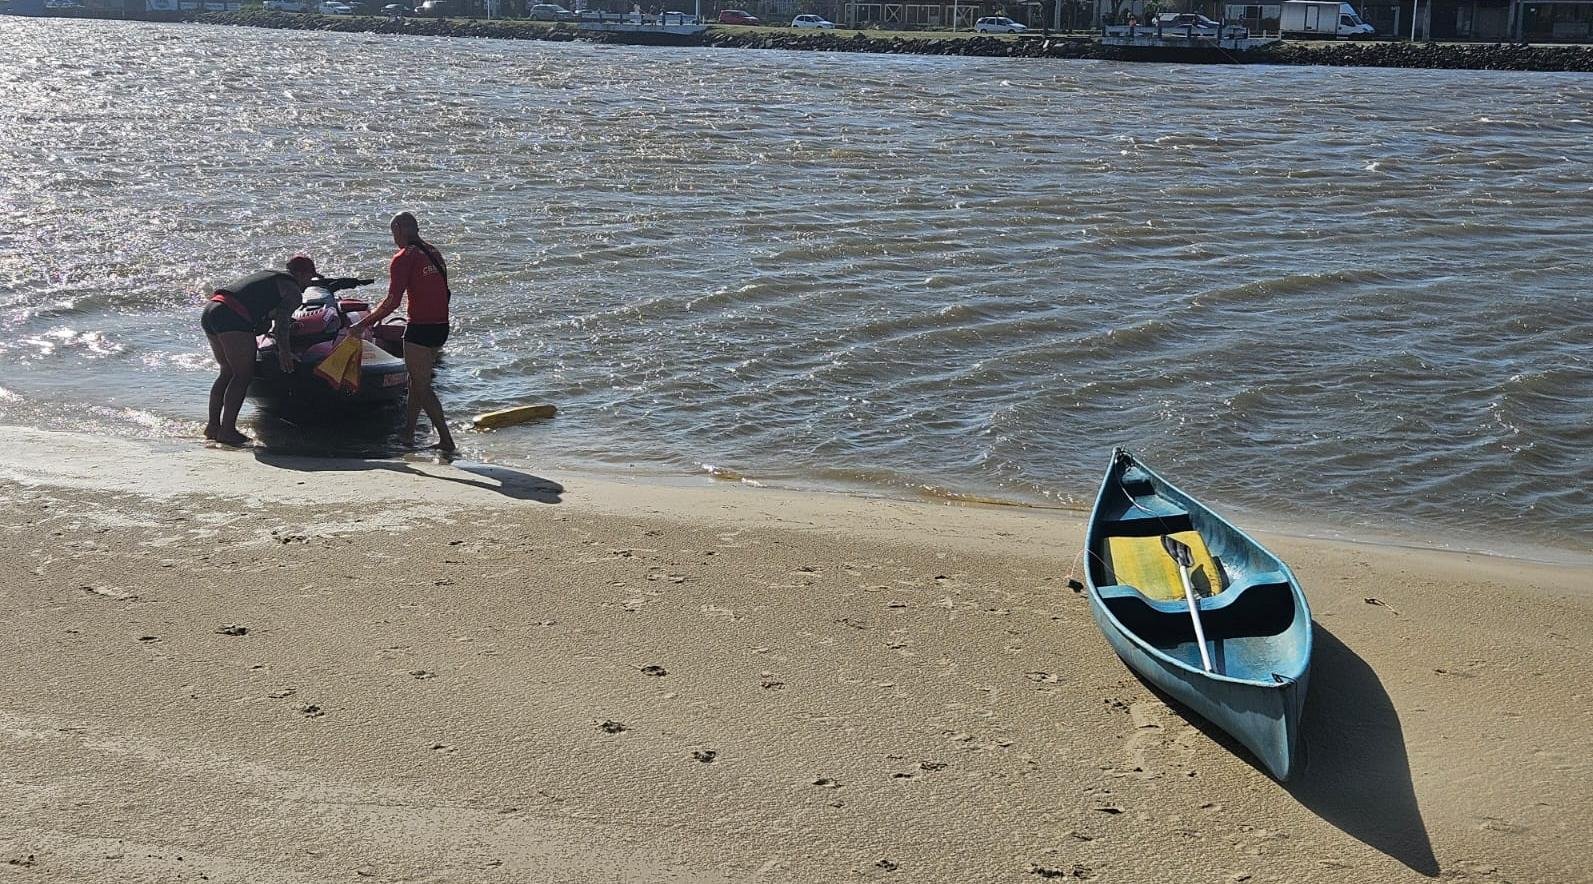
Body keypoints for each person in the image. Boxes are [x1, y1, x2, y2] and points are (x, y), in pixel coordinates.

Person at [348, 212, 455, 453]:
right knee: (416, 381)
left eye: (392, 232)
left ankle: (446, 440)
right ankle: (408, 433)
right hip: (441, 327)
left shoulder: (403, 257)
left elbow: (392, 301)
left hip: (420, 328)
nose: (393, 238)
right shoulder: (433, 251)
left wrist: (363, 324)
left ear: (398, 228)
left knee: (422, 386)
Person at [201, 256, 316, 446]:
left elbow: (257, 309)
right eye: (310, 278)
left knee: (227, 371)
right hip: (232, 316)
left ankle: (213, 427)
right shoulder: (293, 291)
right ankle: (228, 431)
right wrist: (285, 353)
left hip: (212, 309)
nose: (308, 284)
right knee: (243, 375)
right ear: (302, 274)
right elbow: (282, 326)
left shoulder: (269, 277)